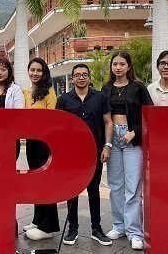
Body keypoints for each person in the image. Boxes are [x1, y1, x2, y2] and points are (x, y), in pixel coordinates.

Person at [101, 51, 153, 251]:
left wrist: (134, 132)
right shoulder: (106, 89)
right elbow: (103, 117)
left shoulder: (138, 88)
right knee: (115, 186)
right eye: (115, 64)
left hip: (132, 139)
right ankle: (119, 226)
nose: (118, 67)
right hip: (112, 139)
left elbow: (150, 115)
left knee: (133, 188)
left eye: (122, 64)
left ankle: (135, 232)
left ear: (129, 67)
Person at [56, 63, 113, 246]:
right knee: (72, 191)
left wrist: (107, 146)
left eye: (84, 74)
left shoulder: (100, 97)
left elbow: (108, 122)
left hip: (95, 151)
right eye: (77, 75)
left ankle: (96, 229)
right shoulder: (64, 99)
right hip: (71, 154)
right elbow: (58, 126)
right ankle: (73, 229)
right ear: (72, 78)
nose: (81, 77)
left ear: (89, 77)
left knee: (93, 190)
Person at [21, 58, 60, 241]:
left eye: (39, 70)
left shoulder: (49, 93)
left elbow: (52, 119)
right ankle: (38, 220)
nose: (35, 73)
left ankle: (48, 226)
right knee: (36, 180)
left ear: (44, 73)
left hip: (45, 142)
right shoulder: (26, 92)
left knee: (46, 181)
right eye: (32, 70)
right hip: (31, 141)